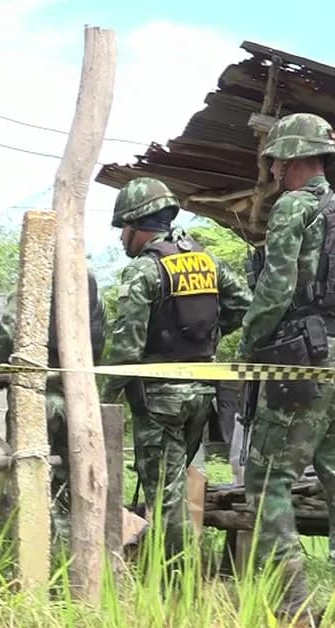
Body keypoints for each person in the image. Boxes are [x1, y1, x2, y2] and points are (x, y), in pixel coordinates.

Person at [238, 112, 335, 626]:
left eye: (275, 158)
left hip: (302, 358)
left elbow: (275, 288)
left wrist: (250, 344)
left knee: (268, 478)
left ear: (289, 157)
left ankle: (293, 610)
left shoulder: (294, 206)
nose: (272, 168)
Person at [103, 176, 251, 563]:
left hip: (159, 399)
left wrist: (102, 399)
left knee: (165, 496)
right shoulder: (206, 261)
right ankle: (173, 571)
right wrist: (210, 338)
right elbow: (244, 305)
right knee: (177, 487)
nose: (122, 239)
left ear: (138, 226)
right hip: (201, 393)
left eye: (124, 230)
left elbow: (125, 351)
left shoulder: (145, 272)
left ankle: (177, 581)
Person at [0, 268, 106, 513]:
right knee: (72, 481)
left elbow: (8, 335)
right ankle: (67, 544)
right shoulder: (87, 284)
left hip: (36, 400)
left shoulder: (33, 280)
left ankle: (39, 546)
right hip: (79, 400)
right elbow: (99, 340)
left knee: (31, 478)